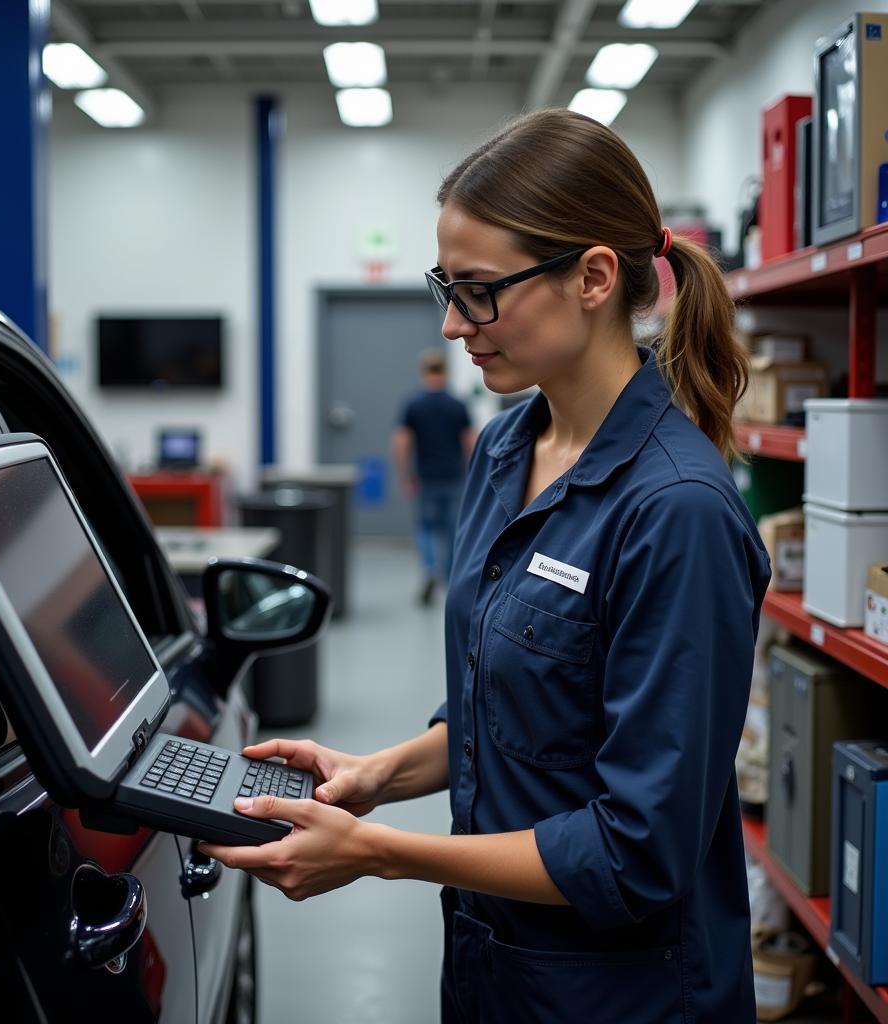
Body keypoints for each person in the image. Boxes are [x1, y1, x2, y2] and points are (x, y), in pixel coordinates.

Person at [199, 108, 771, 1024]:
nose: (455, 323)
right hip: (492, 963)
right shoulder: (506, 450)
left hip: (622, 992)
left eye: (478, 290)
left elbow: (638, 850)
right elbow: (505, 706)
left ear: (591, 277)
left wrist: (379, 850)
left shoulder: (677, 513)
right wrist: (376, 775)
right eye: (445, 286)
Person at [392, 349, 475, 604]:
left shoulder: (414, 405)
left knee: (426, 527)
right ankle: (449, 581)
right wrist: (472, 472)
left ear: (424, 372)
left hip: (425, 476)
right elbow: (470, 442)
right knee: (452, 529)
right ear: (445, 372)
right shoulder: (457, 404)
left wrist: (405, 474)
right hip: (453, 476)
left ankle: (429, 569)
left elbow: (401, 442)